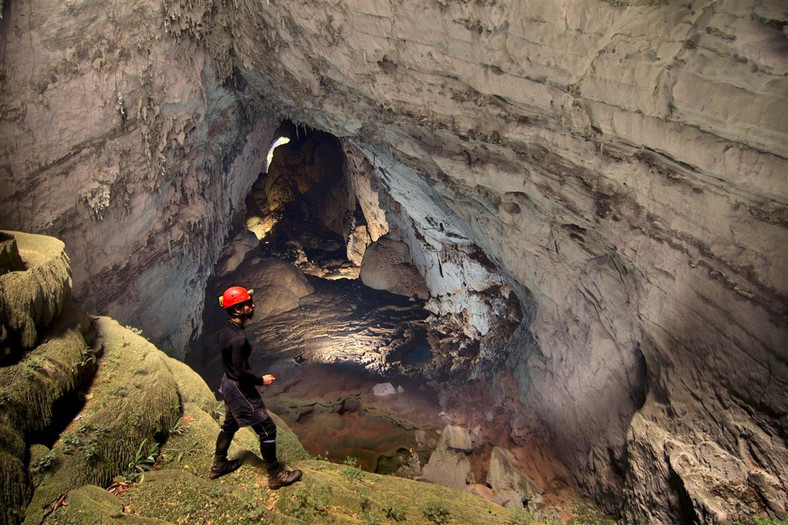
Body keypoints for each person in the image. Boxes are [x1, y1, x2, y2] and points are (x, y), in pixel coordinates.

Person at [208, 286, 302, 490]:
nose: (253, 305)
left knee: (230, 424)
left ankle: (219, 465)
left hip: (227, 382)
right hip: (239, 387)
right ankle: (275, 475)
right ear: (237, 310)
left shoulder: (227, 328)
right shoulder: (239, 339)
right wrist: (261, 380)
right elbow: (241, 372)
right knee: (268, 430)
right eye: (248, 304)